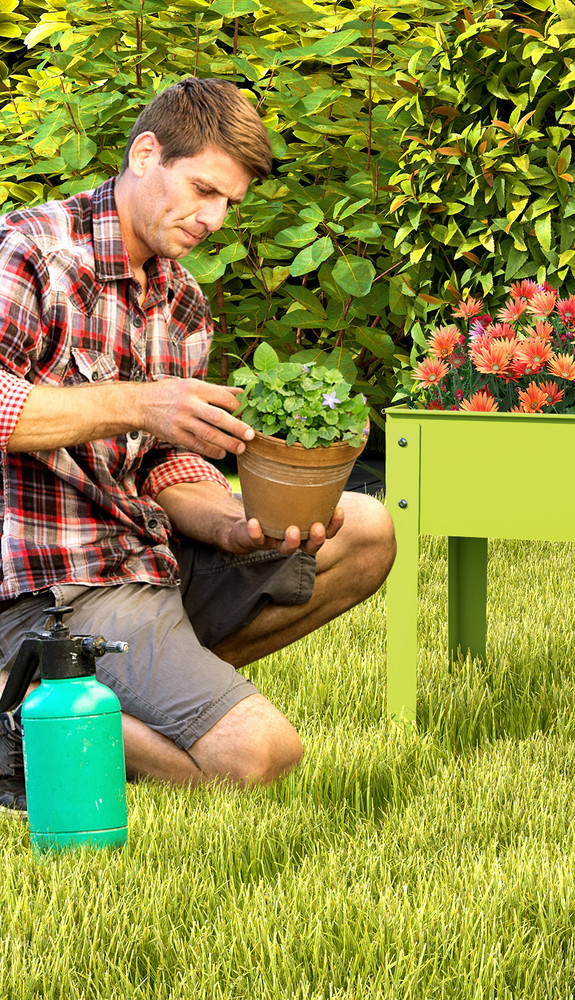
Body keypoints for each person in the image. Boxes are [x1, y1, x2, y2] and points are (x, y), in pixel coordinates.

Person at [0, 77, 396, 809]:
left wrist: (229, 525)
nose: (214, 218)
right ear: (146, 153)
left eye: (229, 204)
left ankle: (98, 697)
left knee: (368, 529)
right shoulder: (33, 253)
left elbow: (162, 461)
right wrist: (140, 403)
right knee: (261, 757)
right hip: (56, 580)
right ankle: (28, 713)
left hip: (142, 557)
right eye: (203, 190)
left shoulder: (181, 299)